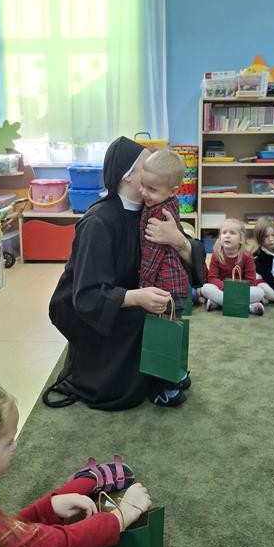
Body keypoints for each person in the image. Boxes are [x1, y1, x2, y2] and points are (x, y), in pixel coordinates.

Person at [46, 136, 205, 410]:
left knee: (175, 301)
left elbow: (194, 258)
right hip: (100, 316)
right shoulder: (98, 223)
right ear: (129, 176)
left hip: (137, 298)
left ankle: (163, 372)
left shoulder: (156, 209)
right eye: (147, 165)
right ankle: (151, 378)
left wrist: (178, 240)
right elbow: (86, 296)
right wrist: (138, 297)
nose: (155, 169)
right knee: (147, 312)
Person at [0, 373, 151, 547]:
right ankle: (84, 483)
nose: (15, 446)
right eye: (8, 442)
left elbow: (7, 534)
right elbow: (61, 544)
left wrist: (47, 508)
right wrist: (120, 516)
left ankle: (81, 484)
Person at [139, 148, 189, 316]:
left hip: (165, 288)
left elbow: (152, 254)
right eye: (142, 184)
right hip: (171, 286)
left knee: (161, 329)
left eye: (151, 189)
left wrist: (143, 285)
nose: (143, 192)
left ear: (173, 191)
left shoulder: (160, 215)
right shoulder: (166, 201)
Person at [199, 218, 265, 315]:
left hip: (240, 290)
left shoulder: (247, 257)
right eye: (224, 233)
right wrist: (227, 288)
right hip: (222, 289)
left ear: (241, 239)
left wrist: (236, 289)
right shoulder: (216, 254)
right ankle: (247, 307)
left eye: (232, 233)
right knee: (205, 288)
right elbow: (212, 278)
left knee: (259, 292)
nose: (227, 235)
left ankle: (219, 303)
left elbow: (251, 282)